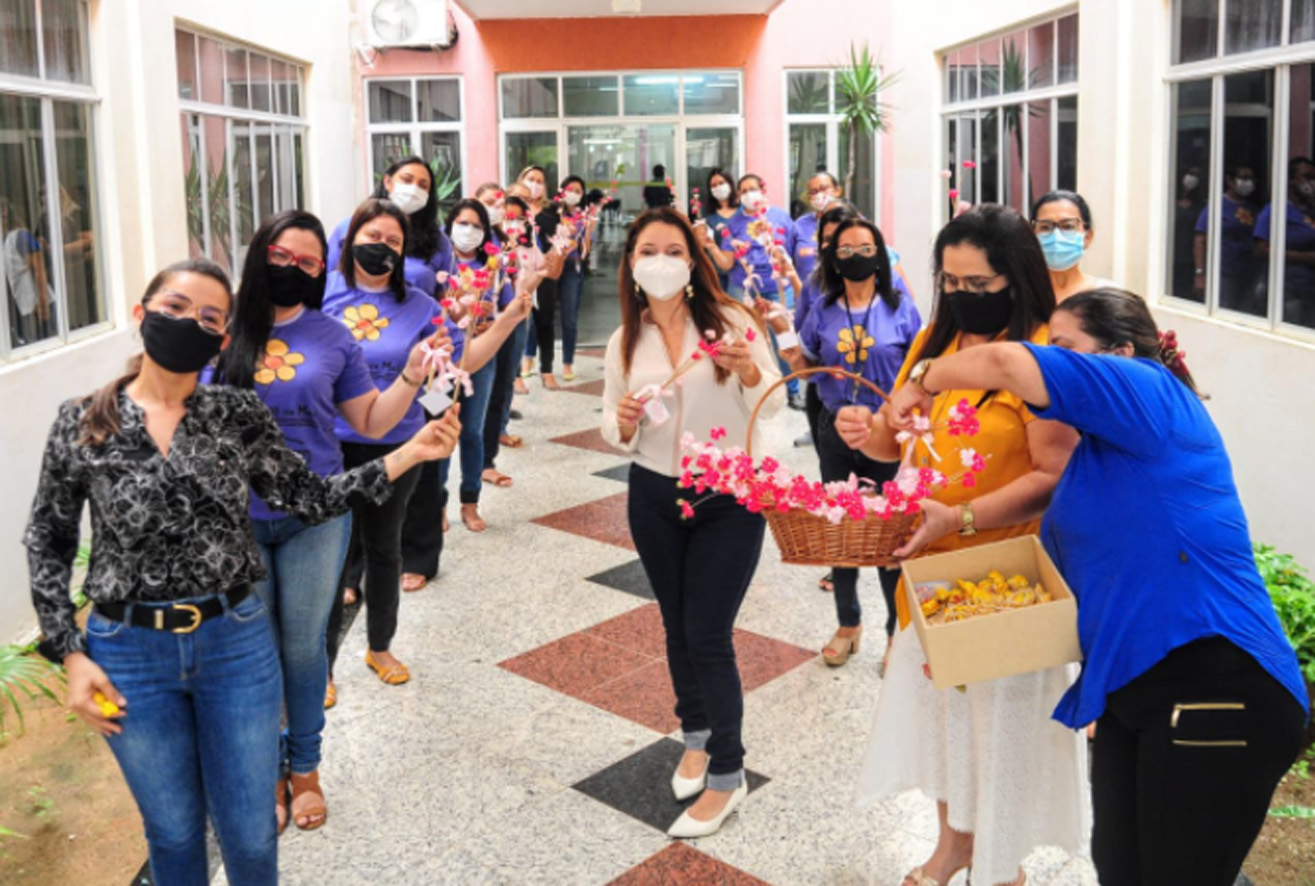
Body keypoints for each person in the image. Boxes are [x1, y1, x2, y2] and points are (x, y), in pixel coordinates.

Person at [25, 258, 460, 886]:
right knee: (173, 833)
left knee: (252, 831)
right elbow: (49, 540)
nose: (188, 323)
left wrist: (411, 452)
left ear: (223, 341)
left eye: (208, 317)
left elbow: (309, 498)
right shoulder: (84, 421)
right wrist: (69, 653)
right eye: (174, 307)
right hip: (129, 655)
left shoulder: (236, 414)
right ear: (140, 313)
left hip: (235, 643)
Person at [875, 287, 1308, 886]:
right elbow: (1064, 592)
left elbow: (1005, 364)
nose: (1052, 361)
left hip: (1217, 676)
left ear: (1121, 355)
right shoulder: (1096, 460)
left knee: (1179, 871)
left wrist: (922, 377)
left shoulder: (1153, 392)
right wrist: (964, 641)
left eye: (1066, 348)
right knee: (1123, 867)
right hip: (1135, 688)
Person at [837, 204, 1086, 886]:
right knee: (945, 722)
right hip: (927, 572)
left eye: (978, 286)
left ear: (1015, 278)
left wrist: (960, 519)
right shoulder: (930, 345)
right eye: (949, 282)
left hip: (1002, 579)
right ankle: (954, 846)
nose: (960, 297)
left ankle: (1003, 865)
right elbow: (898, 441)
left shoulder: (1041, 356)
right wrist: (871, 430)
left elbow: (1051, 477)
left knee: (997, 734)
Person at [209, 210, 449, 831]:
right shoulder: (221, 331)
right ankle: (266, 772)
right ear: (260, 253)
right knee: (254, 653)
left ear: (323, 270)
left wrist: (413, 379)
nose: (292, 269)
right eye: (281, 257)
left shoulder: (332, 334)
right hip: (238, 521)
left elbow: (369, 422)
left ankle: (307, 769)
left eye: (307, 262)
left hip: (315, 514)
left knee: (302, 647)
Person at [602, 207, 783, 838]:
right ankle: (697, 735)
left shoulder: (732, 322)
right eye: (647, 249)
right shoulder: (626, 337)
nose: (660, 260)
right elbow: (612, 422)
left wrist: (747, 370)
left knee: (708, 631)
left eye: (673, 250)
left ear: (692, 260)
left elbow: (776, 397)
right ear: (631, 263)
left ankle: (728, 773)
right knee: (676, 624)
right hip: (653, 491)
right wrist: (623, 420)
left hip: (727, 492)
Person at [324, 199, 528, 683]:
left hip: (398, 445)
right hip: (329, 444)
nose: (381, 247)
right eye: (371, 236)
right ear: (350, 238)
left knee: (384, 546)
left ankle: (380, 647)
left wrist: (508, 318)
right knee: (330, 554)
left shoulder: (421, 305)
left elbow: (458, 365)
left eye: (393, 240)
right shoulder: (324, 295)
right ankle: (322, 667)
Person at [772, 217, 921, 668]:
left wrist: (893, 416)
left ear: (880, 253)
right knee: (840, 529)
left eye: (865, 246)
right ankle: (848, 623)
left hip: (887, 434)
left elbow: (919, 370)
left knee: (890, 536)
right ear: (834, 259)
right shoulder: (824, 308)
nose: (856, 256)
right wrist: (795, 356)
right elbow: (812, 362)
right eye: (846, 249)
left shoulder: (903, 309)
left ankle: (895, 632)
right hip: (835, 429)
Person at [435, 198, 517, 534]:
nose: (468, 231)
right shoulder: (438, 263)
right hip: (439, 363)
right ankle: (436, 506)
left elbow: (509, 310)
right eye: (462, 223)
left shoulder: (494, 268)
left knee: (471, 431)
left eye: (476, 226)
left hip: (481, 358)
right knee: (439, 428)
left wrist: (491, 324)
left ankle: (470, 503)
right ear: (450, 224)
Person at [718, 174, 802, 409]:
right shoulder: (734, 224)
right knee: (747, 337)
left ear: (763, 190)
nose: (748, 194)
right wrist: (713, 248)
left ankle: (793, 389)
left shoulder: (779, 217)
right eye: (743, 191)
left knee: (784, 337)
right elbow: (726, 262)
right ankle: (752, 387)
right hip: (744, 289)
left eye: (753, 188)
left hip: (778, 288)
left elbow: (792, 251)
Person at [483, 194, 545, 489]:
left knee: (505, 377)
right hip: (480, 326)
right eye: (505, 215)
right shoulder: (483, 248)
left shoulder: (527, 249)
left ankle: (495, 436)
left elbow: (537, 277)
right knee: (469, 385)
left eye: (517, 217)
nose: (511, 221)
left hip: (516, 318)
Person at [326, 155, 452, 299]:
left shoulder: (437, 241)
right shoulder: (348, 227)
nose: (413, 189)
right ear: (388, 182)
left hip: (415, 317)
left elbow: (446, 297)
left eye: (422, 185)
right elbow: (327, 279)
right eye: (406, 180)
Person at [534, 175, 593, 385]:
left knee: (569, 317)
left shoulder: (584, 217)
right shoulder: (550, 214)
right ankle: (529, 359)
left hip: (572, 269)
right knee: (541, 314)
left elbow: (586, 252)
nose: (573, 194)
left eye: (578, 191)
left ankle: (567, 361)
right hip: (550, 266)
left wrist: (584, 237)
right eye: (570, 189)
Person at [1193, 166, 1263, 313]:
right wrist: (1200, 273)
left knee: (1246, 312)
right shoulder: (1217, 205)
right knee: (1224, 311)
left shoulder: (1253, 208)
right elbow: (1200, 239)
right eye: (1243, 178)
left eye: (1251, 179)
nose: (1248, 183)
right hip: (1223, 271)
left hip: (1248, 271)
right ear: (1230, 181)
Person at [1256, 156, 1315, 327]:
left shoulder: (1309, 211)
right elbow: (1261, 249)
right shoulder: (1275, 210)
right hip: (1287, 288)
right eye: (1307, 177)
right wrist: (1305, 258)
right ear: (1291, 180)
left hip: (1309, 287)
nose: (1312, 182)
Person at [1031, 190, 1117, 303]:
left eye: (1068, 226)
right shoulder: (1019, 295)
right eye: (1046, 227)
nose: (1056, 236)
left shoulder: (1107, 294)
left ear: (1087, 237)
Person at [516, 165, 552, 384]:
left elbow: (545, 261)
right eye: (530, 179)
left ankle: (545, 370)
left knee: (544, 322)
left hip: (540, 278)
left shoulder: (547, 215)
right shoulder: (510, 217)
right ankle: (516, 373)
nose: (535, 185)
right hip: (516, 280)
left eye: (540, 181)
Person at [697, 168, 739, 292]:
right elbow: (701, 238)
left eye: (721, 183)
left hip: (740, 271)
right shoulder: (706, 212)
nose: (718, 187)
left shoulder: (742, 210)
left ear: (730, 184)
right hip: (716, 271)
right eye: (713, 185)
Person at [1171, 164, 1207, 300]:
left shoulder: (1201, 207)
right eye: (1190, 174)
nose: (1192, 179)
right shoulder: (1168, 202)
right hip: (1172, 259)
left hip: (1190, 262)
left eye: (1197, 176)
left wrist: (1200, 271)